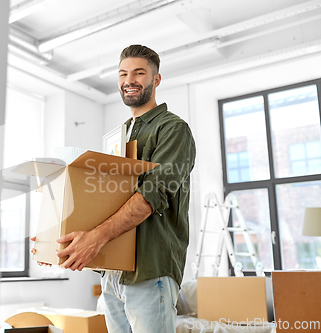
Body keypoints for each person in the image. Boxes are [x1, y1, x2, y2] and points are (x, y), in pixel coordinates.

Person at [32, 44, 196, 333]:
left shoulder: (172, 129)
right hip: (112, 275)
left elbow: (151, 196)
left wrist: (94, 239)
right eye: (123, 73)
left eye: (139, 73)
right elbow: (103, 201)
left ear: (156, 80)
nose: (129, 80)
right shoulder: (121, 135)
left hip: (149, 270)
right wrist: (56, 240)